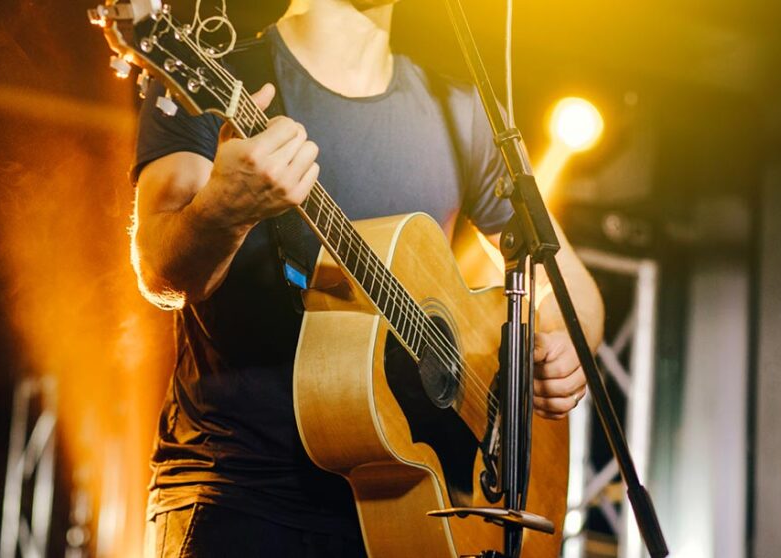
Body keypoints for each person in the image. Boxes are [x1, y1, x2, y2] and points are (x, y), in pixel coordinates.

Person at [131, 0, 605, 556]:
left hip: (417, 510)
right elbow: (162, 272)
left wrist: (562, 350)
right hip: (242, 496)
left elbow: (569, 288)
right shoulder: (223, 70)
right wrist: (224, 210)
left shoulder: (461, 109)